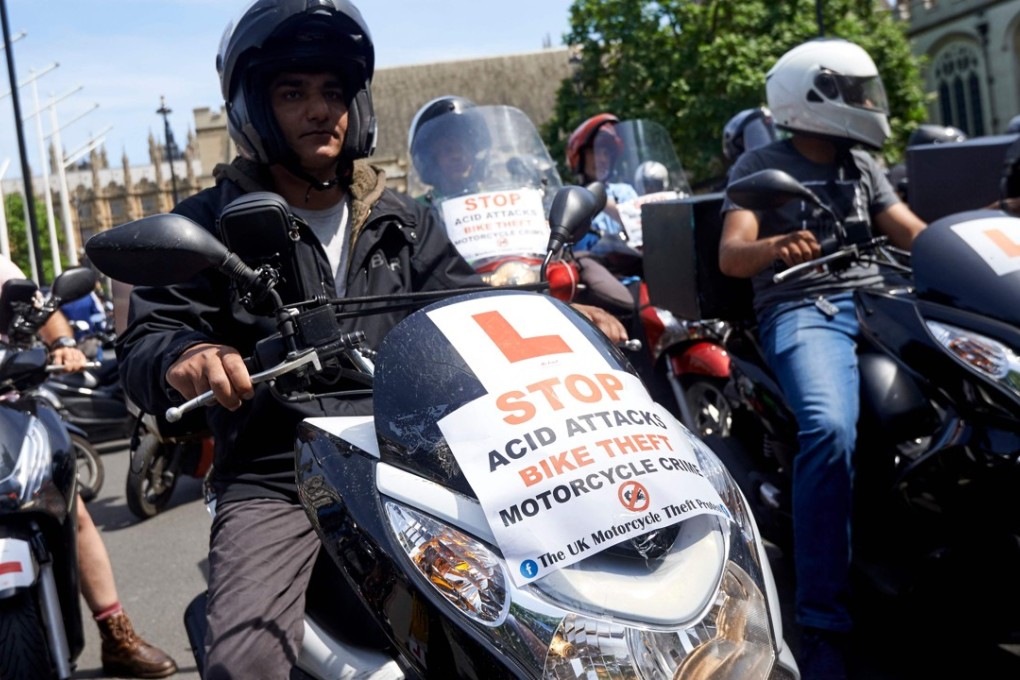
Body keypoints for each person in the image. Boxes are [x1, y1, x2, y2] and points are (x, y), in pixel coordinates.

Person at [116, 2, 625, 678]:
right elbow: (150, 334)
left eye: (333, 91)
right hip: (282, 471)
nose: (319, 109)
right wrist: (189, 356)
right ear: (251, 107)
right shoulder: (209, 226)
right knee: (245, 662)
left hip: (421, 456)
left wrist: (559, 321)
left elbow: (468, 310)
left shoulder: (406, 221)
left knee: (581, 607)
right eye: (292, 93)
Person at [718, 38, 927, 680]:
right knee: (829, 429)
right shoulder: (759, 162)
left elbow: (910, 230)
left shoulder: (861, 163)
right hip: (809, 308)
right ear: (813, 97)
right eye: (856, 94)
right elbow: (732, 254)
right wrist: (778, 245)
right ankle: (822, 624)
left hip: (883, 300)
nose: (868, 104)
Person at [0, 254, 178, 679]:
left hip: (7, 406)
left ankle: (116, 634)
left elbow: (41, 308)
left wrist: (62, 345)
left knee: (68, 509)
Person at [566, 113, 640, 250]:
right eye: (595, 152)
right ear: (580, 158)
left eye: (607, 153)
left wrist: (604, 202)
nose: (603, 159)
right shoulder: (569, 198)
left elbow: (640, 229)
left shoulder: (624, 192)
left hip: (627, 264)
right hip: (584, 267)